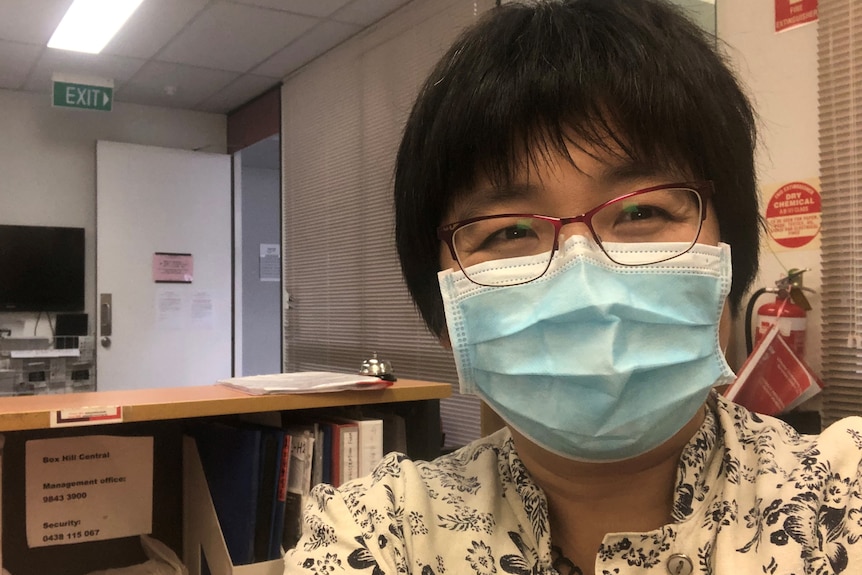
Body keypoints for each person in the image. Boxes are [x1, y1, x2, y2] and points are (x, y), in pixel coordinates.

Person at [284, 1, 862, 574]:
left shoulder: (841, 498)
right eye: (509, 231)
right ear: (445, 313)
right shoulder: (378, 534)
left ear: (729, 256)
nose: (584, 276)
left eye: (641, 212)